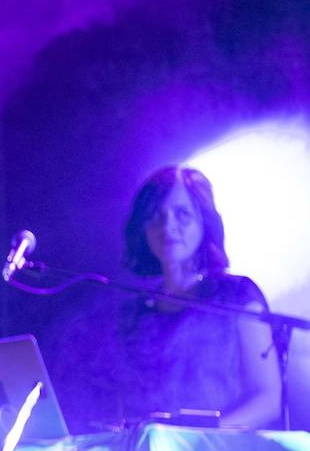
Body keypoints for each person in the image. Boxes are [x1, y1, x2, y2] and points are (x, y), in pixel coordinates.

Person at [110, 165, 282, 430]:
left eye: (182, 215)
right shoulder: (136, 313)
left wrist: (202, 438)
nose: (168, 227)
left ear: (205, 222)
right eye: (156, 216)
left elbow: (267, 399)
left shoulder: (237, 295)